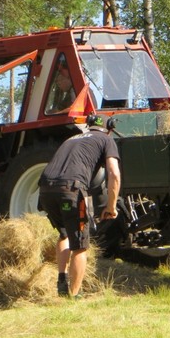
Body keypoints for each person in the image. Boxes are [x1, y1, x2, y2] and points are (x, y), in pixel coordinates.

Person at [38, 114, 121, 298]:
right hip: (71, 190)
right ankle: (74, 296)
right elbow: (114, 174)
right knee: (80, 245)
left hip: (45, 190)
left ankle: (62, 279)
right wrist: (111, 207)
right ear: (109, 128)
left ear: (89, 125)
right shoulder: (106, 139)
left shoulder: (72, 139)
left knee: (65, 233)